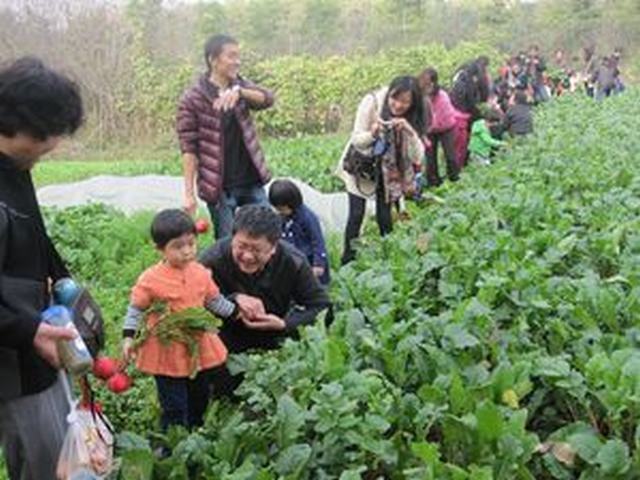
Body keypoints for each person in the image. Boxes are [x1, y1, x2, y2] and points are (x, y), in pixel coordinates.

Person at [0, 57, 84, 480]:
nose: (53, 144)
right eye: (48, 134)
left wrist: (63, 278)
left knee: (53, 454)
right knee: (45, 456)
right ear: (19, 124)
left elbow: (32, 230)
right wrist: (27, 330)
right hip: (15, 346)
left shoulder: (15, 167)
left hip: (29, 339)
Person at [121, 209, 237, 431]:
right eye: (178, 246)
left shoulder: (201, 273)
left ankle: (195, 430)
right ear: (160, 249)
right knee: (173, 401)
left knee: (199, 394)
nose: (186, 251)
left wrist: (236, 313)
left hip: (197, 345)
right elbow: (136, 309)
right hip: (166, 348)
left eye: (191, 243)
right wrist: (128, 337)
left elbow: (213, 300)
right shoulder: (150, 280)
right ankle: (173, 437)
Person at [177, 34, 274, 239]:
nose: (237, 61)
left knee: (267, 235)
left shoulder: (239, 85)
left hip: (251, 180)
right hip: (219, 187)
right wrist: (189, 194)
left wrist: (240, 93)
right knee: (227, 244)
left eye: (238, 56)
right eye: (231, 56)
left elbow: (268, 98)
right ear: (213, 60)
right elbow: (188, 148)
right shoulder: (193, 99)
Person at [335, 76, 424, 265]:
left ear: (413, 103)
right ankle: (348, 262)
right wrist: (372, 133)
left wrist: (409, 131)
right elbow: (357, 140)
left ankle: (389, 260)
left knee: (384, 214)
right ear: (389, 93)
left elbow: (417, 157)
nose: (398, 105)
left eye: (405, 102)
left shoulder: (412, 116)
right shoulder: (372, 102)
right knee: (356, 214)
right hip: (362, 167)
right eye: (395, 98)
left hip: (389, 171)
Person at [268, 179, 330, 285]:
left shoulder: (307, 218)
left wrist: (318, 264)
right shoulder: (282, 217)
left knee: (313, 287)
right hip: (293, 262)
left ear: (291, 204)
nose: (279, 212)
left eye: (281, 209)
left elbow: (318, 241)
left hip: (309, 261)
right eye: (277, 209)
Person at [418, 67, 459, 187]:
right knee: (430, 157)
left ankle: (454, 179)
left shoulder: (442, 96)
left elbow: (439, 117)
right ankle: (433, 182)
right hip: (430, 130)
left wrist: (427, 128)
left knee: (450, 155)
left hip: (446, 127)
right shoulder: (420, 96)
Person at [450, 58, 491, 169]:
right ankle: (462, 164)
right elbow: (471, 101)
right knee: (463, 143)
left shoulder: (460, 78)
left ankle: (459, 165)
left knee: (456, 144)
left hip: (456, 115)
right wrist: (479, 112)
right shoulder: (468, 83)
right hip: (463, 116)